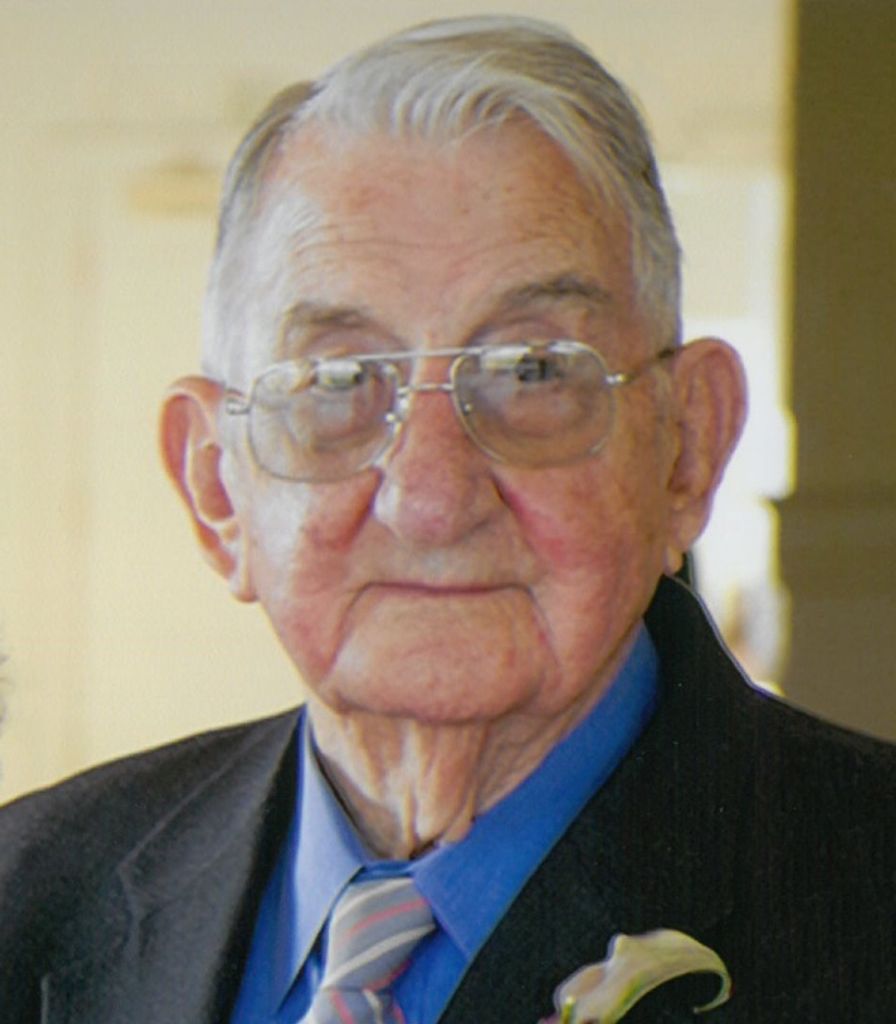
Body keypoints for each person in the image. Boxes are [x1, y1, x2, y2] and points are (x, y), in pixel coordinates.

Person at [1, 16, 893, 1024]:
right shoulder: (27, 893)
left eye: (531, 371)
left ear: (686, 444)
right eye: (338, 381)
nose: (429, 498)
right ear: (216, 489)